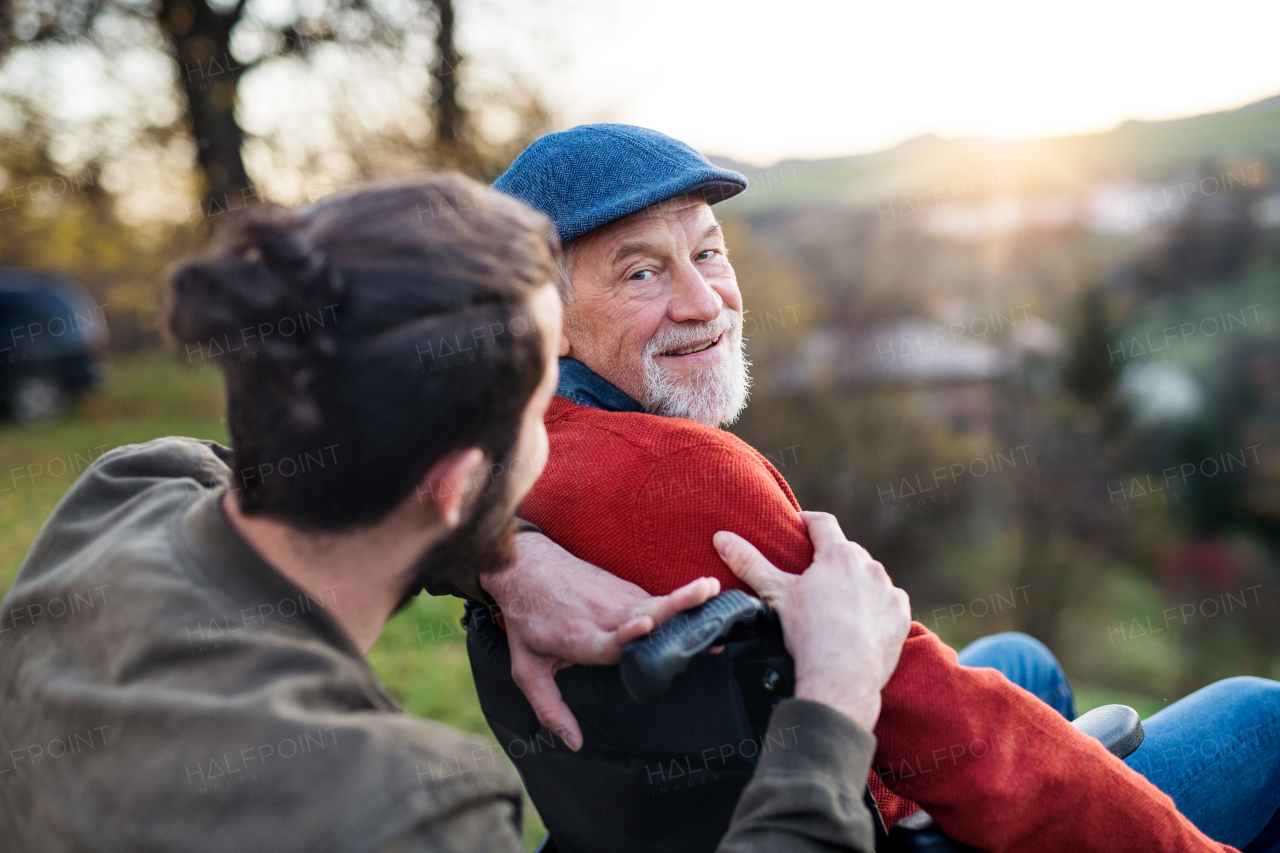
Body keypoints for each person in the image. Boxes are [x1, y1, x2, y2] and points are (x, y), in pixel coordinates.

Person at [0, 174, 915, 853]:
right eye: (537, 410)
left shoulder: (125, 493)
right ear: (454, 480)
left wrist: (505, 558)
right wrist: (834, 701)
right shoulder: (402, 811)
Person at [461, 125, 1280, 853]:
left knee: (1020, 658)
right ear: (545, 317)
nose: (705, 302)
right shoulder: (680, 474)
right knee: (1262, 715)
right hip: (855, 820)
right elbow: (963, 735)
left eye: (708, 251)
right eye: (642, 273)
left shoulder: (487, 459)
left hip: (700, 811)